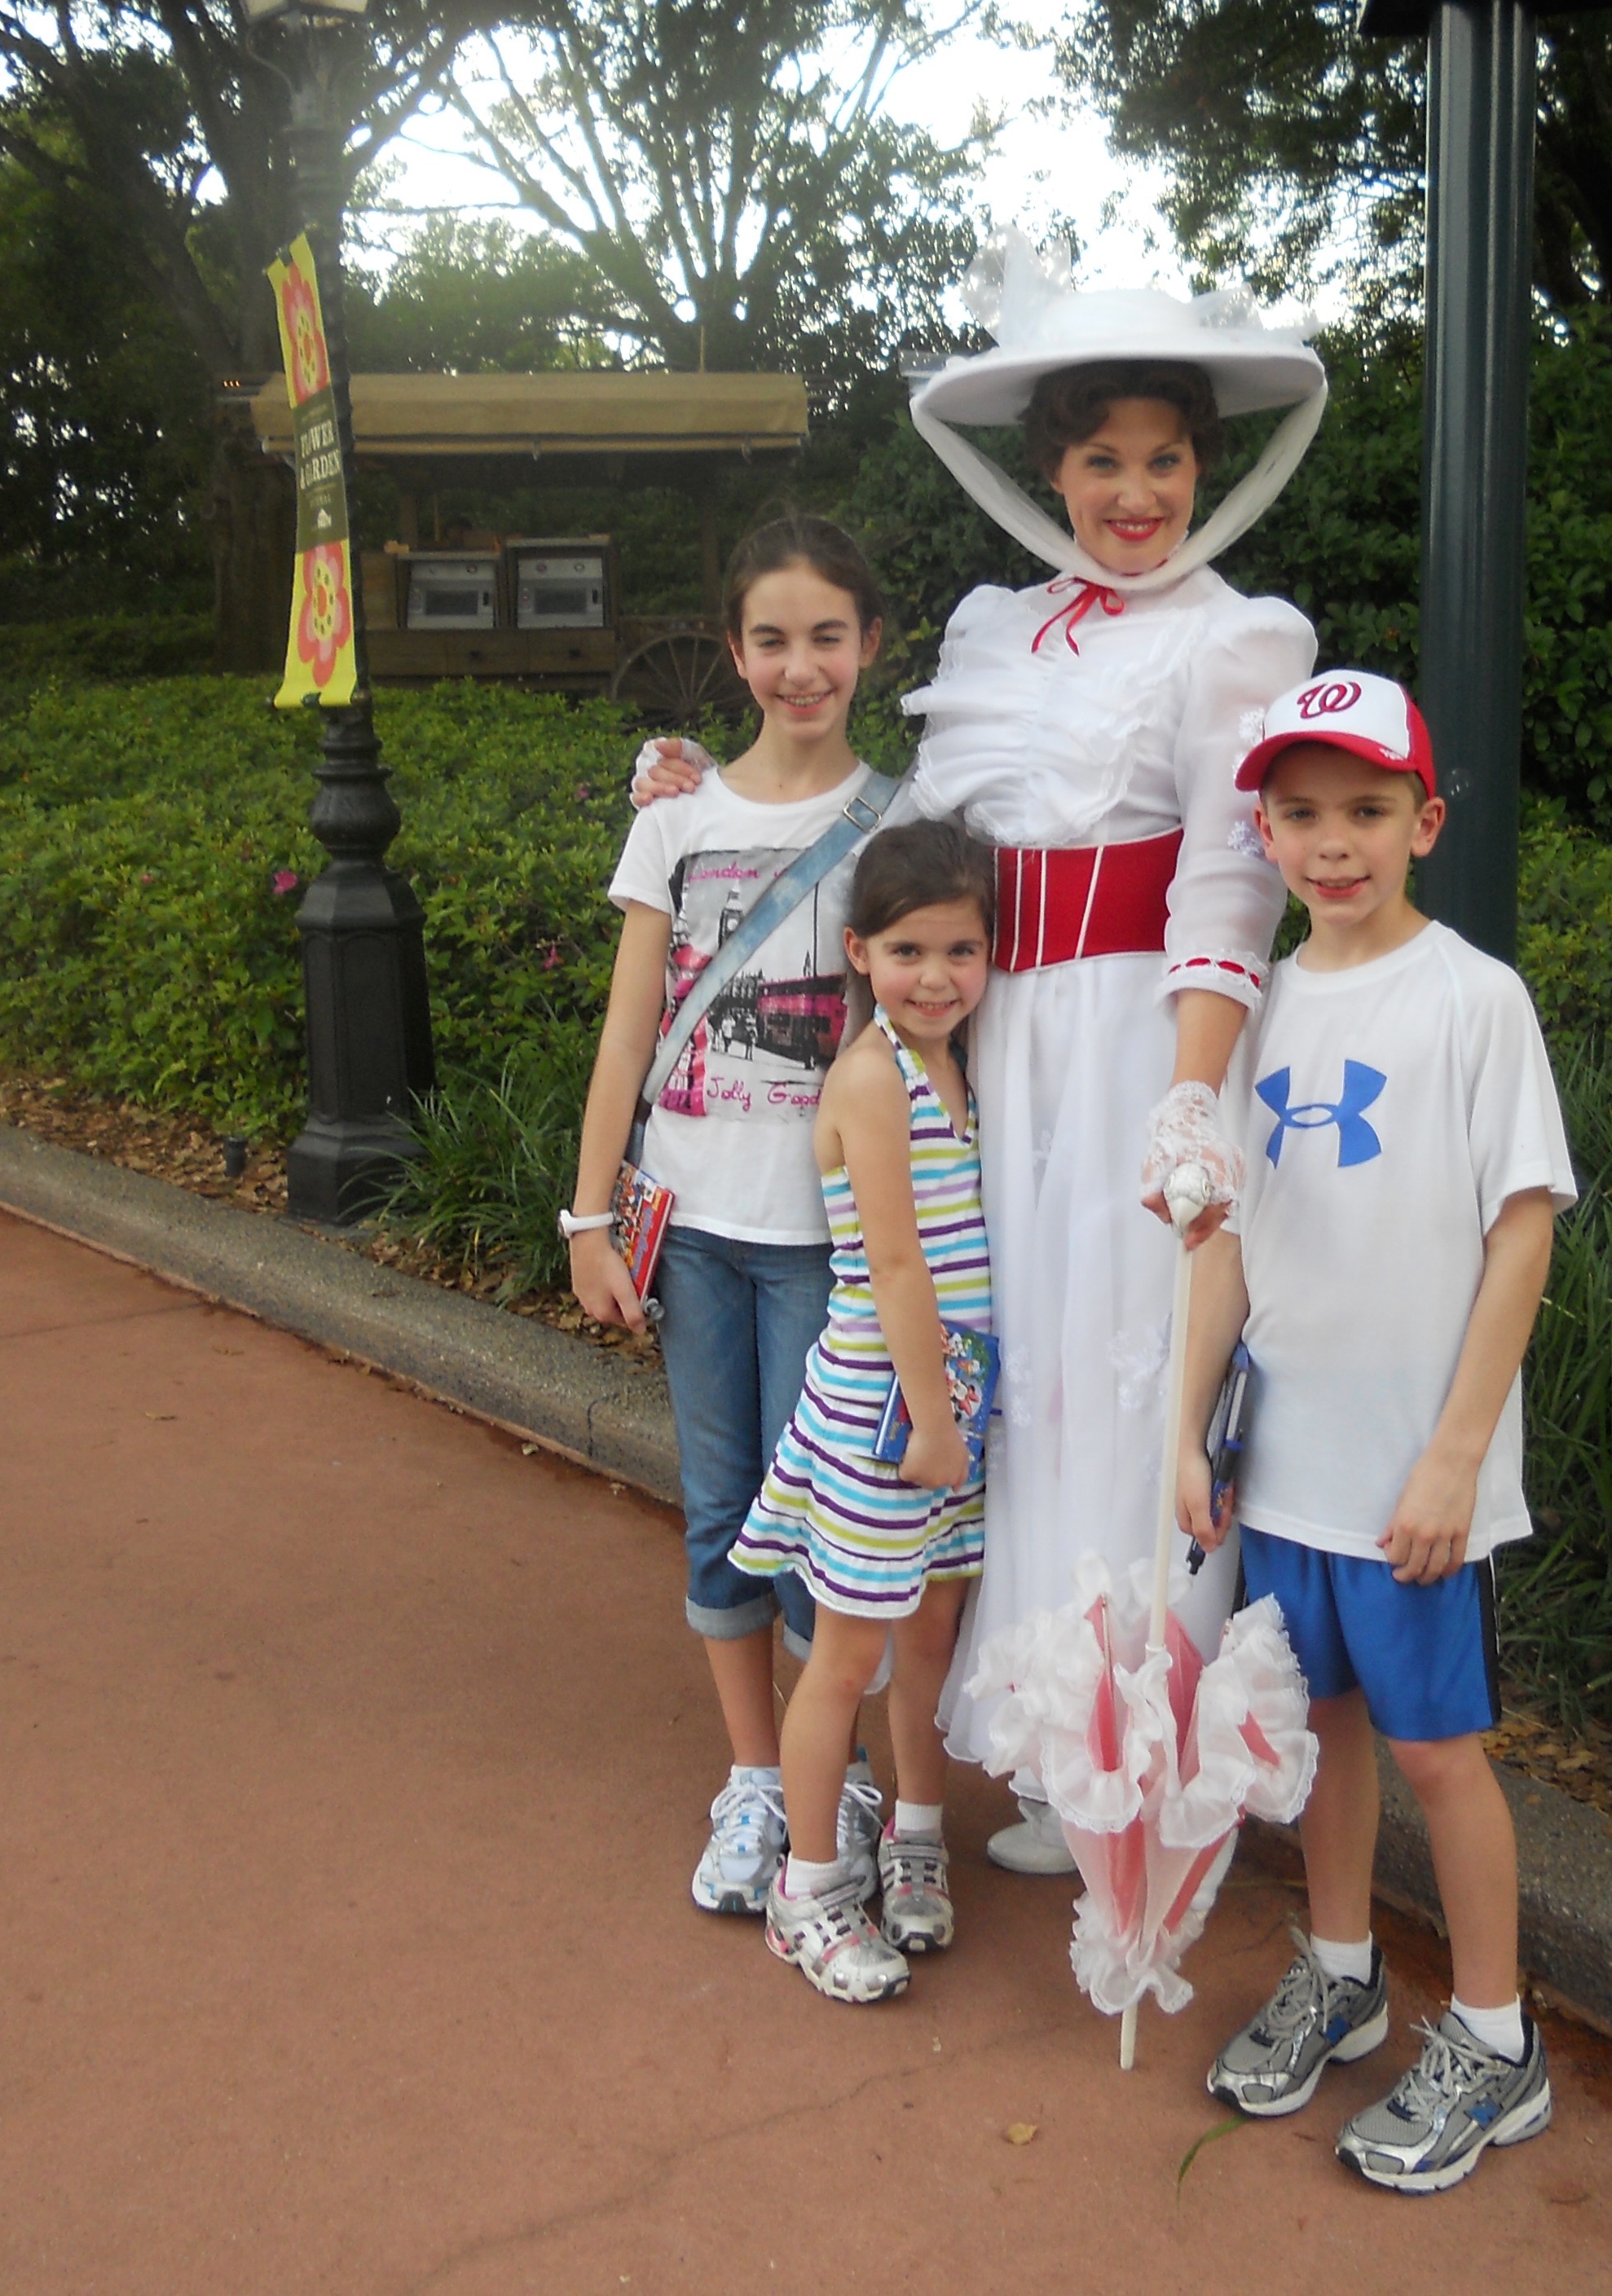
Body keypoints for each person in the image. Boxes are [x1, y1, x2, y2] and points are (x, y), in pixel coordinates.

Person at [635, 234, 1331, 1876]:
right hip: (985, 1046)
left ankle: (1152, 1777)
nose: (1135, 492)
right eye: (1102, 460)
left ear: (1201, 471)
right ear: (1052, 470)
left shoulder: (1233, 637)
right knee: (1004, 1381)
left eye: (1164, 461)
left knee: (1126, 1378)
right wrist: (704, 780)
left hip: (1131, 1045)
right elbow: (909, 842)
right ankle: (1039, 1742)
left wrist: (1186, 1087)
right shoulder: (992, 628)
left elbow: (1231, 880)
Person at [1172, 675, 1575, 2194]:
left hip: (1413, 1480)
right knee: (1318, 1730)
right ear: (1264, 830)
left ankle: (1495, 2035)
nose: (1332, 844)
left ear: (1427, 820)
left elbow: (1521, 1231)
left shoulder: (1474, 997)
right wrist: (1187, 1439)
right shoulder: (1254, 998)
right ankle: (1342, 1972)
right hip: (1282, 1466)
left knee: (1437, 1752)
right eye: (1301, 813)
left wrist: (1459, 1455)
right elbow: (1225, 1243)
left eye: (1366, 810)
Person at [567, 517, 899, 1920]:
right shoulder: (676, 818)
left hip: (833, 1242)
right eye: (773, 638)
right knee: (720, 1512)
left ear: (870, 646)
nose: (801, 665)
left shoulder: (906, 822)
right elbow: (630, 1026)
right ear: (735, 652)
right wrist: (590, 1216)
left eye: (828, 635)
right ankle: (759, 1779)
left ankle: (844, 1779)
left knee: (835, 1524)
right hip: (695, 1232)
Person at [733, 819, 997, 2002]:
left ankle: (919, 1840)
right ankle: (812, 1894)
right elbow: (895, 1269)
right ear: (858, 950)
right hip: (885, 1412)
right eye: (906, 950)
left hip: (955, 1403)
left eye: (961, 949)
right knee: (846, 1656)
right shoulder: (870, 1077)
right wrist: (933, 1422)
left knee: (934, 1635)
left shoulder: (963, 1062)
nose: (936, 976)